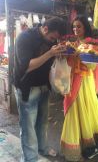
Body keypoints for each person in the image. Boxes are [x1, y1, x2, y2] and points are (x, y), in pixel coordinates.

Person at [13, 17, 67, 162]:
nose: (53, 41)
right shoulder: (24, 38)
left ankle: (42, 147)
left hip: (44, 86)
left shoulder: (52, 40)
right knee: (28, 126)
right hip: (27, 88)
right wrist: (50, 53)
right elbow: (26, 66)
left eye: (56, 39)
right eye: (52, 37)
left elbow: (51, 63)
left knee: (42, 121)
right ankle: (30, 158)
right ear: (45, 29)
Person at [60, 15, 98, 161]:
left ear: (85, 27)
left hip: (85, 81)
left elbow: (93, 66)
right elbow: (67, 63)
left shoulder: (91, 44)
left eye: (78, 26)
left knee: (85, 109)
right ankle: (74, 148)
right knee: (73, 110)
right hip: (72, 79)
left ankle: (88, 143)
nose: (76, 29)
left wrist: (82, 54)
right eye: (74, 27)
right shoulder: (71, 43)